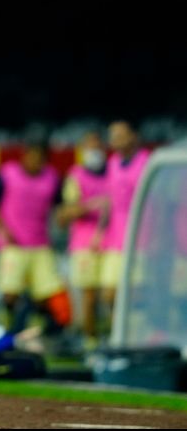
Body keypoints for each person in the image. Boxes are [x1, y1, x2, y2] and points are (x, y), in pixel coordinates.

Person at [0, 140, 72, 340]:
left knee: (46, 295)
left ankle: (32, 336)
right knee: (10, 293)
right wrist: (2, 229)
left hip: (40, 244)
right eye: (32, 157)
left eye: (40, 159)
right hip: (12, 244)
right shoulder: (7, 174)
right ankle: (4, 330)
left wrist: (67, 216)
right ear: (25, 155)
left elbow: (60, 208)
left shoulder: (52, 178)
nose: (35, 162)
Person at [56, 131, 109, 350]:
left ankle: (108, 336)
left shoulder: (112, 173)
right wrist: (89, 206)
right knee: (89, 295)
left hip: (111, 241)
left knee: (110, 294)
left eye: (97, 148)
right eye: (90, 148)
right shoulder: (75, 176)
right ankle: (91, 341)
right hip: (84, 244)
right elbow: (64, 214)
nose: (94, 153)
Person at [100, 120, 150, 323]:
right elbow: (109, 200)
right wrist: (99, 233)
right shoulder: (112, 163)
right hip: (115, 239)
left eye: (119, 136)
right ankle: (117, 334)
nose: (114, 141)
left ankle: (138, 333)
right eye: (112, 136)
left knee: (137, 294)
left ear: (133, 137)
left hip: (142, 239)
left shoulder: (148, 162)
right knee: (110, 294)